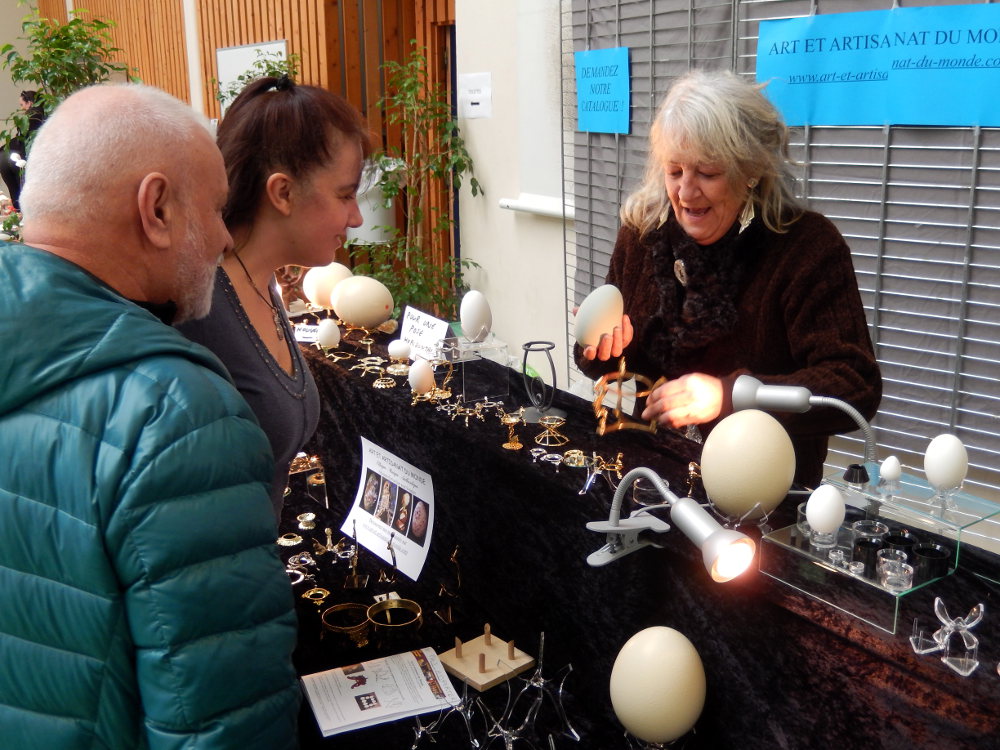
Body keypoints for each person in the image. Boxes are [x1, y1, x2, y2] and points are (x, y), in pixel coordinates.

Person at [0, 84, 299, 749]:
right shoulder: (176, 415)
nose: (224, 237)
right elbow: (221, 725)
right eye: (218, 209)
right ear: (156, 208)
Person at [576, 69, 882, 487]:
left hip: (761, 492)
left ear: (751, 169)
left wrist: (730, 395)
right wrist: (604, 347)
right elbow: (620, 374)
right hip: (645, 476)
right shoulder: (643, 233)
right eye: (674, 170)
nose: (685, 193)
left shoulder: (806, 248)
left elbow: (854, 386)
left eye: (707, 172)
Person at [178, 75, 371, 517]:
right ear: (282, 192)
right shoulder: (198, 309)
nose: (356, 217)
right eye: (345, 194)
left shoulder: (259, 279)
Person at [1, 90, 46, 208]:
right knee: (24, 192)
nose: (21, 108)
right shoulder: (44, 117)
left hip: (8, 155)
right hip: (18, 158)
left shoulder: (31, 117)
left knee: (17, 195)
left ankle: (18, 214)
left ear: (30, 103)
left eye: (22, 105)